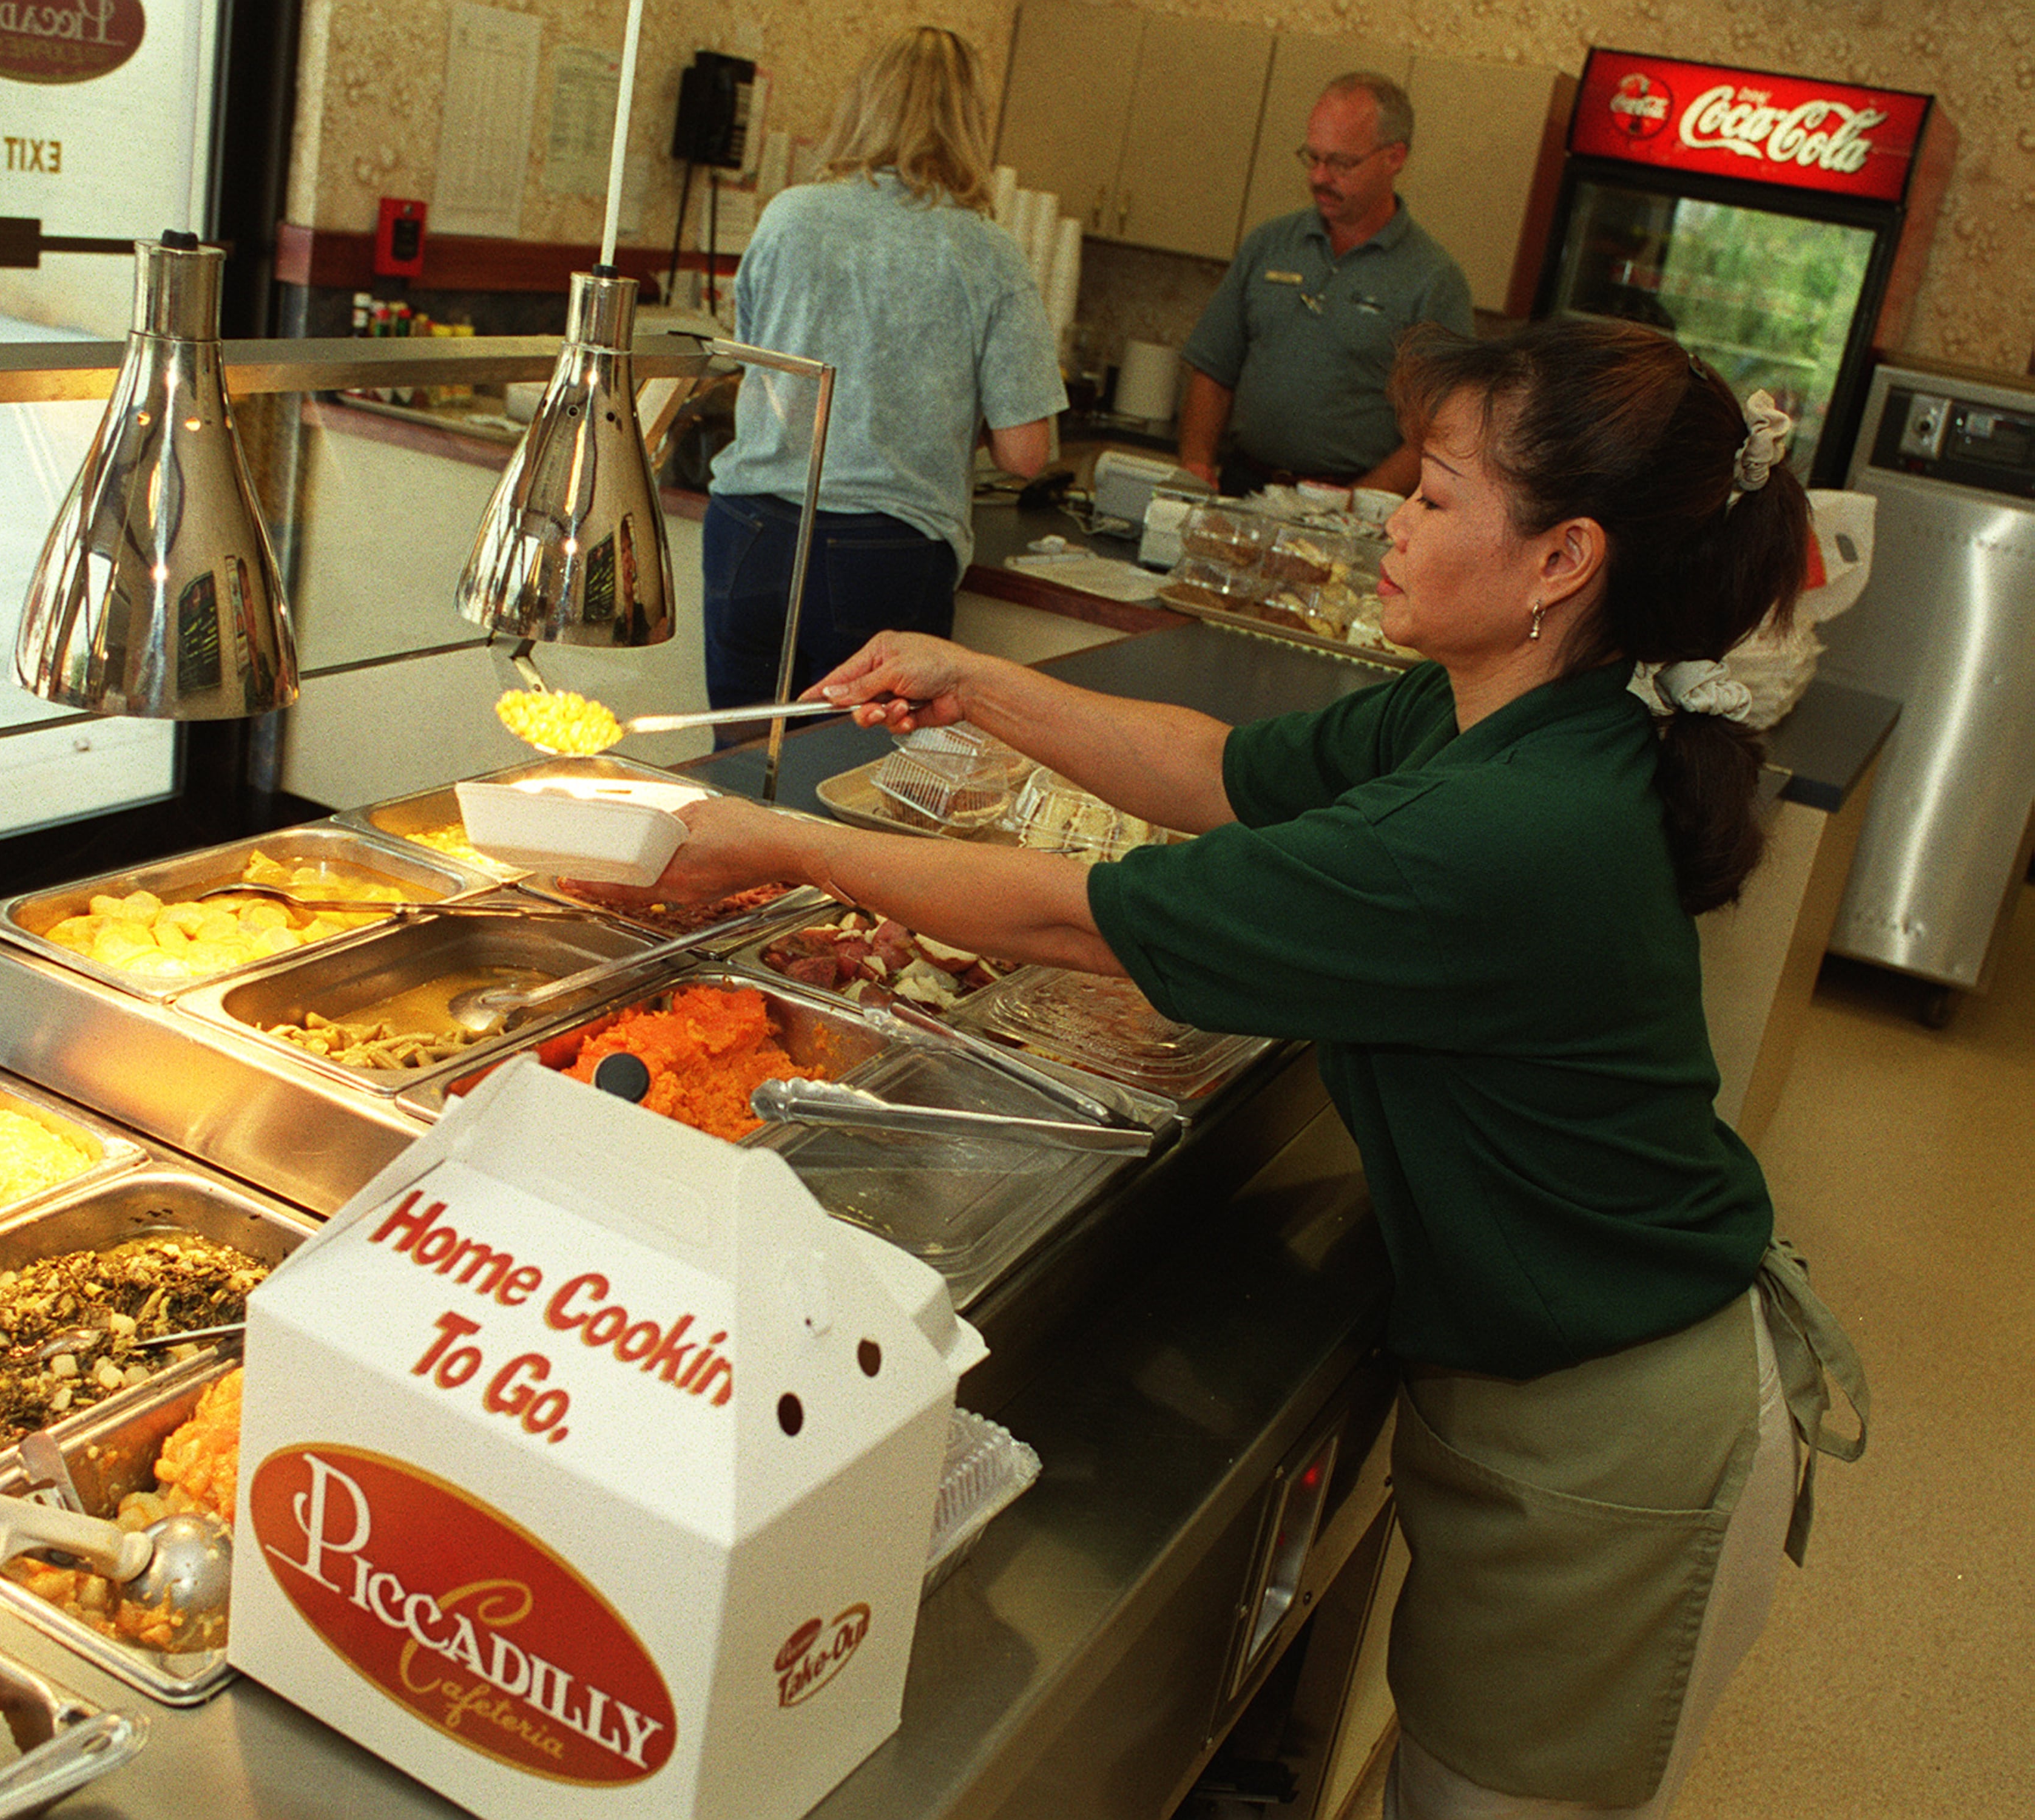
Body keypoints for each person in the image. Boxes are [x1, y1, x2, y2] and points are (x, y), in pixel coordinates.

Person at [615, 318, 1868, 1819]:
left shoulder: (1509, 826)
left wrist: (776, 840)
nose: (1389, 518)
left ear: (1560, 560)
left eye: (1437, 493)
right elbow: (1213, 771)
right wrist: (977, 680)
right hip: (1538, 1377)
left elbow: (1086, 925)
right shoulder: (1495, 712)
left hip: (1605, 1438)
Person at [700, 25, 1065, 727]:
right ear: (970, 125)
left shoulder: (788, 216)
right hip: (885, 553)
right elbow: (1028, 455)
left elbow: (751, 355)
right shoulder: (986, 252)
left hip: (750, 529)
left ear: (862, 104)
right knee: (846, 790)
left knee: (741, 771)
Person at [1177, 72, 1473, 499]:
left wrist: (1352, 505)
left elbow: (1440, 433)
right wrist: (1197, 464)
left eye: (1341, 163)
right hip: (1244, 488)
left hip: (1350, 506)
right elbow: (1213, 369)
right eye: (1312, 158)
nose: (1319, 177)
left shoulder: (1433, 280)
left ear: (1395, 157)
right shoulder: (1269, 245)